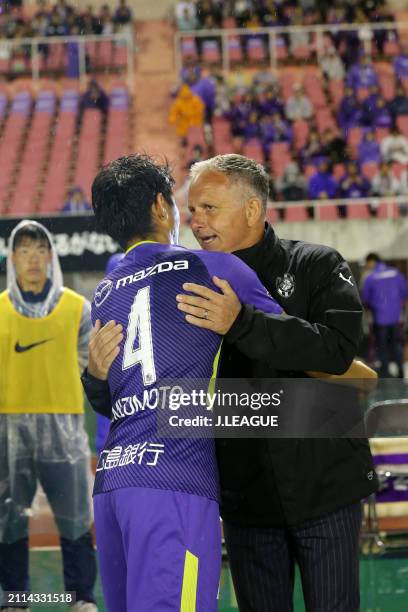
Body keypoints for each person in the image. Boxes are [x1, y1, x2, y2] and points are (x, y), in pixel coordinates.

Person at [83, 154, 378, 612]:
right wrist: (96, 378)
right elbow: (145, 397)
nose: (197, 222)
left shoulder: (315, 263)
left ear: (252, 210)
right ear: (164, 207)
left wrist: (242, 325)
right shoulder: (202, 273)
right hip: (228, 496)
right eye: (192, 208)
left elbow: (337, 355)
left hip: (319, 487)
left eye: (209, 209)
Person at [84, 154, 283, 612]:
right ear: (160, 205)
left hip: (113, 484)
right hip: (175, 481)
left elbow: (106, 395)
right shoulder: (213, 269)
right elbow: (293, 345)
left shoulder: (106, 292)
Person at [0, 220, 97, 612]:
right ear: (13, 259)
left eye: (41, 250)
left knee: (75, 519)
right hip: (8, 429)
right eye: (24, 250)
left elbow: (96, 366)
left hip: (65, 427)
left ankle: (81, 597)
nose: (33, 258)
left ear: (51, 256)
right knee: (9, 518)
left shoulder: (78, 308)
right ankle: (15, 598)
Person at [362, 253, 408, 378]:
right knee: (396, 343)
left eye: (367, 263)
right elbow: (405, 292)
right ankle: (400, 370)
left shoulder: (371, 278)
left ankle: (385, 373)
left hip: (380, 318)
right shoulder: (396, 273)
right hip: (395, 317)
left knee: (382, 345)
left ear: (372, 262)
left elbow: (365, 299)